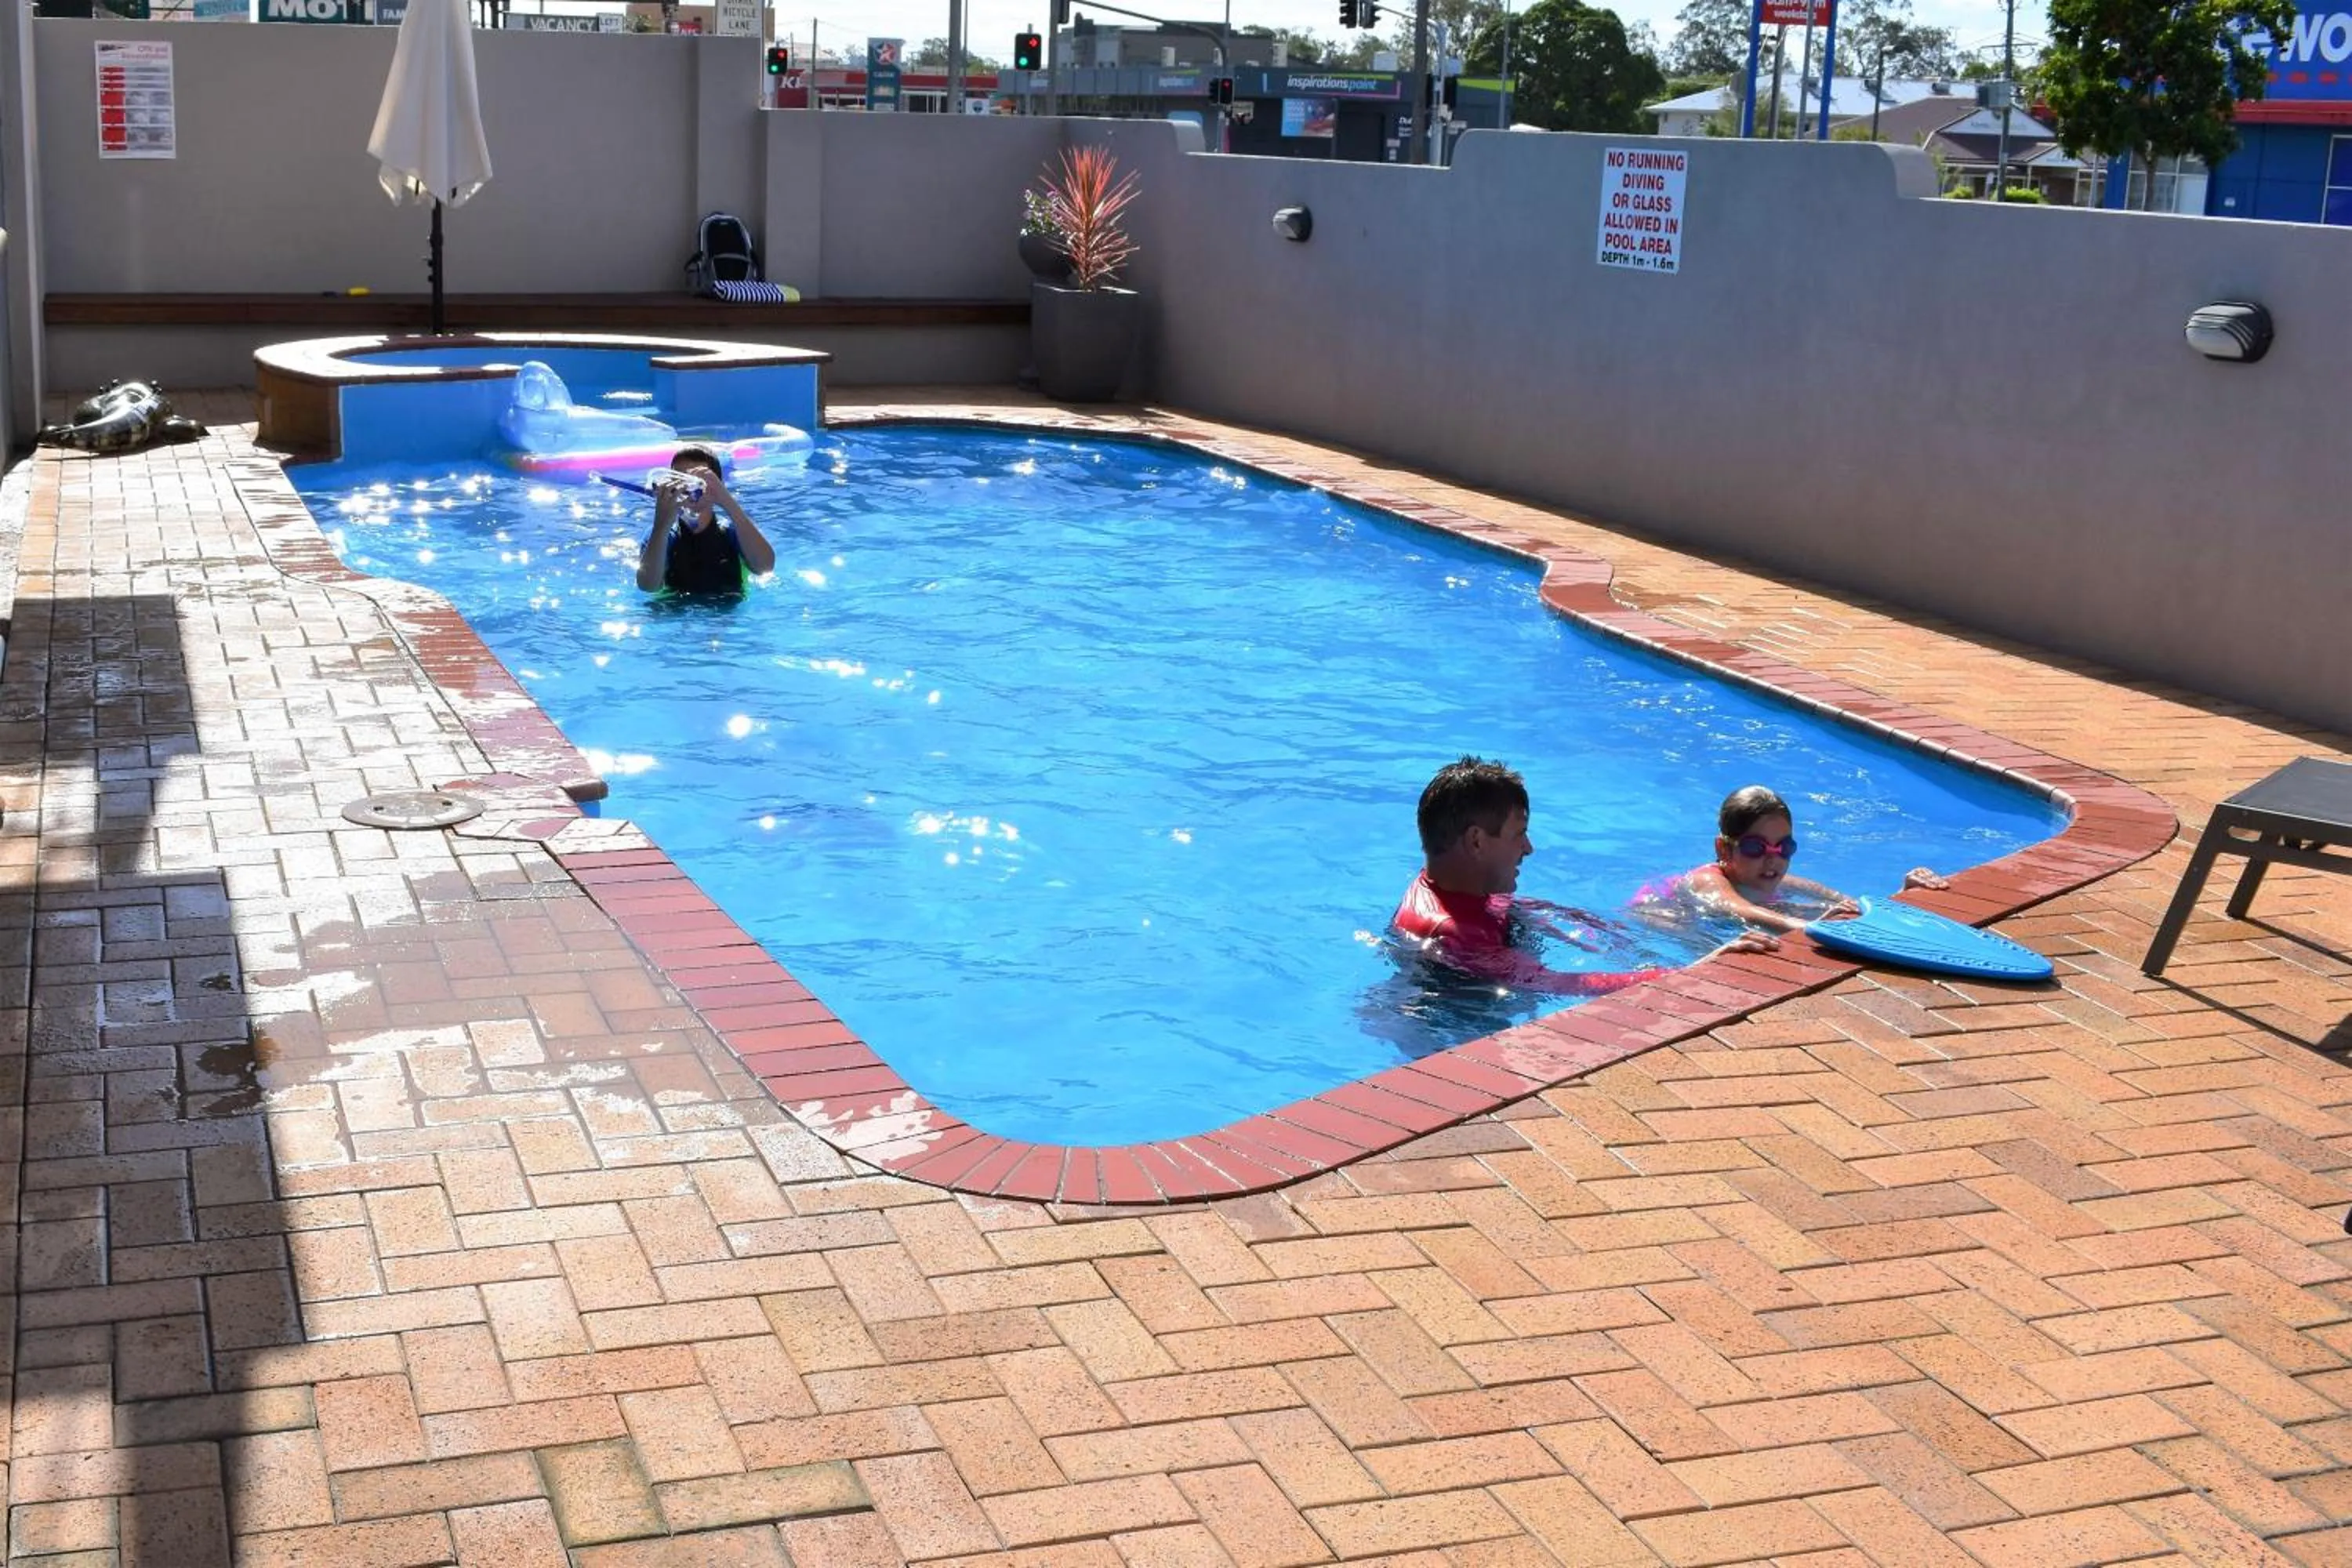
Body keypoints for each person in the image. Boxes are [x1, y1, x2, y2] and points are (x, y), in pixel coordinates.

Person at [1392, 757, 1765, 996]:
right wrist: (1692, 972)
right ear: (1476, 841)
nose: (1528, 848)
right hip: (1459, 1017)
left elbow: (1506, 908)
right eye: (1518, 834)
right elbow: (1557, 983)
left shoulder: (1451, 887)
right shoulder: (1454, 935)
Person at [1666, 784, 1948, 935]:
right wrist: (1816, 928)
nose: (1772, 860)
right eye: (1756, 847)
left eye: (1784, 848)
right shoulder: (1706, 881)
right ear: (1724, 850)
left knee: (1826, 909)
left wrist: (1901, 898)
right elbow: (1746, 912)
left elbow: (1848, 904)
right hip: (1660, 930)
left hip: (1740, 920)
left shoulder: (1776, 881)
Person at [635, 446, 777, 595]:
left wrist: (728, 502)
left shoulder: (733, 532)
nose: (687, 490)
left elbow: (765, 567)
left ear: (717, 487)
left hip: (728, 613)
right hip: (675, 612)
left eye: (696, 483)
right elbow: (648, 586)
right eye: (679, 481)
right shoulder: (662, 535)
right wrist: (661, 525)